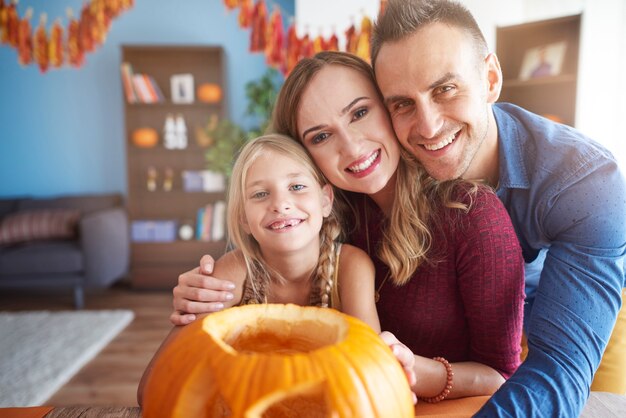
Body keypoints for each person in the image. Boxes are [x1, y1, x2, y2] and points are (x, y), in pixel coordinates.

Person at [171, 51, 526, 402]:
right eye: (321, 137)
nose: (352, 146)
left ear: (390, 107)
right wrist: (203, 291)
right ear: (306, 158)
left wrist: (413, 369)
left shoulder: (472, 215)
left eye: (360, 113)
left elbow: (502, 377)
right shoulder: (332, 213)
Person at [369, 0, 626, 416]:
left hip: (579, 308)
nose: (428, 126)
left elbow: (559, 369)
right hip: (483, 341)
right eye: (403, 104)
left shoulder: (585, 181)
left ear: (490, 79)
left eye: (445, 89)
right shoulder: (389, 167)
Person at [138, 133, 417, 405]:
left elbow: (369, 371)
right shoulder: (233, 272)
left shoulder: (351, 267)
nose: (280, 204)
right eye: (260, 194)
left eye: (296, 187)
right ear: (243, 219)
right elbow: (152, 388)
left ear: (325, 200)